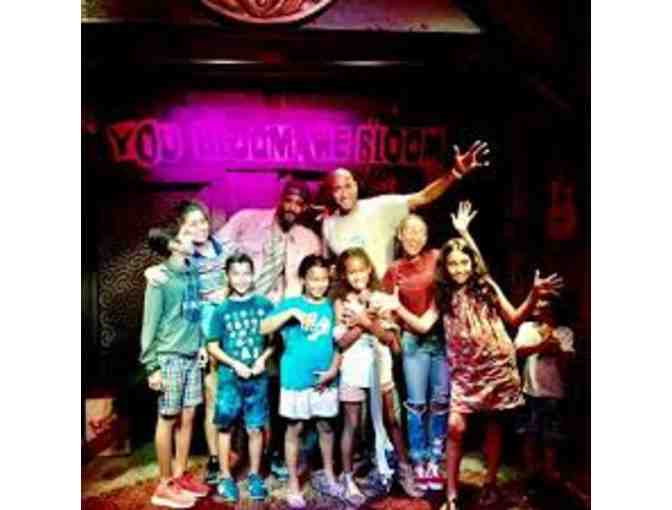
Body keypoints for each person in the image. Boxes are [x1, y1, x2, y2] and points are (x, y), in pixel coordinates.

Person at [389, 203, 564, 510]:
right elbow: (423, 325)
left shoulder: (486, 286)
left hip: (496, 366)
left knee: (494, 426)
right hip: (465, 371)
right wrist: (396, 307)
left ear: (472, 263)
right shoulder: (443, 295)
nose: (459, 269)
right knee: (455, 427)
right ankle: (452, 494)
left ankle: (490, 484)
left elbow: (514, 317)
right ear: (445, 267)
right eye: (452, 264)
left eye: (464, 262)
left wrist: (533, 295)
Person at [145, 201, 236, 484]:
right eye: (191, 224)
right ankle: (210, 460)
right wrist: (151, 272)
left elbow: (235, 278)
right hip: (195, 336)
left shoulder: (222, 249)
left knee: (223, 396)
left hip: (223, 326)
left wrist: (225, 291)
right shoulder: (183, 258)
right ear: (179, 233)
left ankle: (226, 457)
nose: (200, 227)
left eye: (203, 221)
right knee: (206, 397)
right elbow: (167, 279)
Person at [322, 140, 490, 279]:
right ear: (331, 193)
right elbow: (331, 265)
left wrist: (455, 173)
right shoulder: (328, 224)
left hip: (384, 297)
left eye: (348, 186)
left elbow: (423, 197)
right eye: (337, 189)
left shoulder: (379, 206)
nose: (344, 193)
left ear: (356, 186)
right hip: (351, 303)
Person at [333, 247, 423, 504]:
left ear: (369, 270)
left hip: (380, 367)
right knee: (351, 424)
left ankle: (404, 472)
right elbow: (342, 342)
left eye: (361, 270)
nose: (357, 276)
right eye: (351, 272)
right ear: (344, 275)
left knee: (392, 420)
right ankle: (348, 479)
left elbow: (387, 338)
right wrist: (365, 322)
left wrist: (364, 320)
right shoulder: (341, 302)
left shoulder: (381, 298)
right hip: (353, 369)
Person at [259, 255, 343, 508]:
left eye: (323, 279)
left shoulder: (332, 306)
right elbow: (263, 327)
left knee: (325, 427)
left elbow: (340, 342)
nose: (319, 284)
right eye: (313, 279)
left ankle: (329, 475)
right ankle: (293, 483)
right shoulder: (291, 304)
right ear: (304, 280)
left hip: (325, 378)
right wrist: (292, 312)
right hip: (295, 378)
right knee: (294, 428)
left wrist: (333, 370)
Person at [139, 226, 211, 509]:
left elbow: (194, 314)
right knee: (167, 418)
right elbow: (149, 324)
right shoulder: (159, 279)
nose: (192, 238)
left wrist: (201, 344)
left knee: (189, 415)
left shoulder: (192, 271)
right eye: (185, 235)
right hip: (169, 356)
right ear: (173, 245)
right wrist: (152, 366)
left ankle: (179, 477)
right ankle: (164, 484)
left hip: (192, 355)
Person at [381, 213, 450, 492]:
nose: (414, 237)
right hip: (413, 342)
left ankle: (436, 459)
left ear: (427, 236)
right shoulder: (394, 270)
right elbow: (388, 311)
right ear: (400, 235)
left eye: (419, 231)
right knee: (416, 405)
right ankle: (419, 460)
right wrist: (395, 330)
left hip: (441, 339)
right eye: (408, 231)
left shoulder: (437, 258)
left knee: (441, 402)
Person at [206, 253, 275, 503]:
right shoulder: (221, 310)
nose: (241, 279)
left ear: (253, 274)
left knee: (255, 427)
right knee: (226, 427)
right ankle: (225, 476)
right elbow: (212, 346)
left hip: (257, 379)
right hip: (230, 380)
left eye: (246, 273)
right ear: (227, 276)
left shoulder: (264, 305)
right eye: (236, 274)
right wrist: (235, 364)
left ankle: (255, 475)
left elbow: (274, 342)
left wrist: (262, 359)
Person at [514, 298, 575, 490]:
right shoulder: (526, 328)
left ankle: (549, 472)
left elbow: (567, 362)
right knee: (529, 433)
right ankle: (530, 472)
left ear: (552, 306)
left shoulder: (564, 332)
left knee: (551, 436)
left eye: (542, 302)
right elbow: (519, 351)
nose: (537, 305)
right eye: (537, 301)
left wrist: (555, 346)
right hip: (530, 391)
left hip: (553, 393)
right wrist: (542, 346)